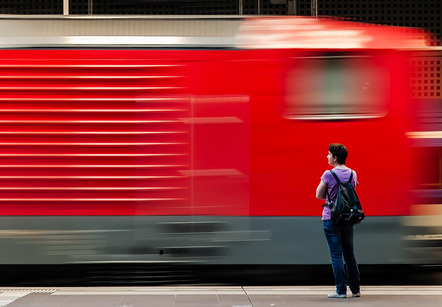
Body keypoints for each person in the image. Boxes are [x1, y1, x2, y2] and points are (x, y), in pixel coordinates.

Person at [315, 143, 361, 298]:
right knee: (350, 254)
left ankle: (341, 291)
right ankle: (355, 290)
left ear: (335, 157)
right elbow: (352, 191)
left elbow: (318, 194)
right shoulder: (352, 174)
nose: (327, 156)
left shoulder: (328, 174)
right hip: (348, 218)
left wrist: (330, 195)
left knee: (336, 255)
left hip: (331, 218)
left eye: (328, 154)